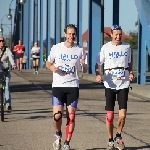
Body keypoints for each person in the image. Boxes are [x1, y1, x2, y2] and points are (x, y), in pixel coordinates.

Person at [46, 24, 87, 150]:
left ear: (75, 35)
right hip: (58, 85)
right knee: (57, 115)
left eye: (73, 34)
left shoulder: (80, 50)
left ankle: (66, 143)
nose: (71, 36)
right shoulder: (56, 48)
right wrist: (52, 67)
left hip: (73, 86)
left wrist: (83, 65)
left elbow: (85, 69)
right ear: (65, 34)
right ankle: (58, 134)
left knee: (71, 115)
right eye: (69, 34)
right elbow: (48, 62)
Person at [95, 25, 135, 150]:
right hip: (109, 83)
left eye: (120, 34)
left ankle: (118, 135)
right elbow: (98, 63)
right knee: (110, 115)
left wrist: (131, 73)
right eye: (116, 34)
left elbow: (129, 63)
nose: (118, 36)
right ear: (111, 34)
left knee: (122, 115)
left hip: (123, 83)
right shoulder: (105, 47)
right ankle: (110, 139)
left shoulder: (127, 47)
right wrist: (98, 74)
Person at [0, 36, 16, 112]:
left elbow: (11, 57)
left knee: (6, 87)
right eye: (0, 41)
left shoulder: (7, 50)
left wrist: (13, 64)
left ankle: (8, 105)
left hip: (6, 71)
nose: (1, 42)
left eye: (3, 41)